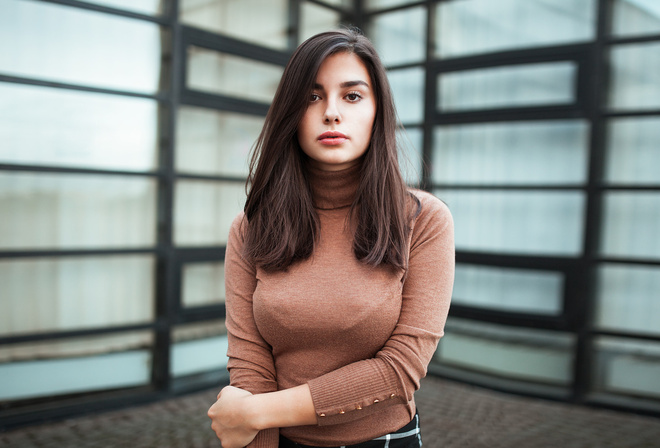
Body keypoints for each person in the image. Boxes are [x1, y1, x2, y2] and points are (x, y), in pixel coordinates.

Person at [207, 28, 454, 448]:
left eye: (352, 96)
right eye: (312, 96)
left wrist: (257, 412)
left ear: (378, 111)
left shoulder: (423, 220)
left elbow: (401, 369)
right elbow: (250, 364)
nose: (332, 113)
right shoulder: (251, 227)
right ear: (291, 112)